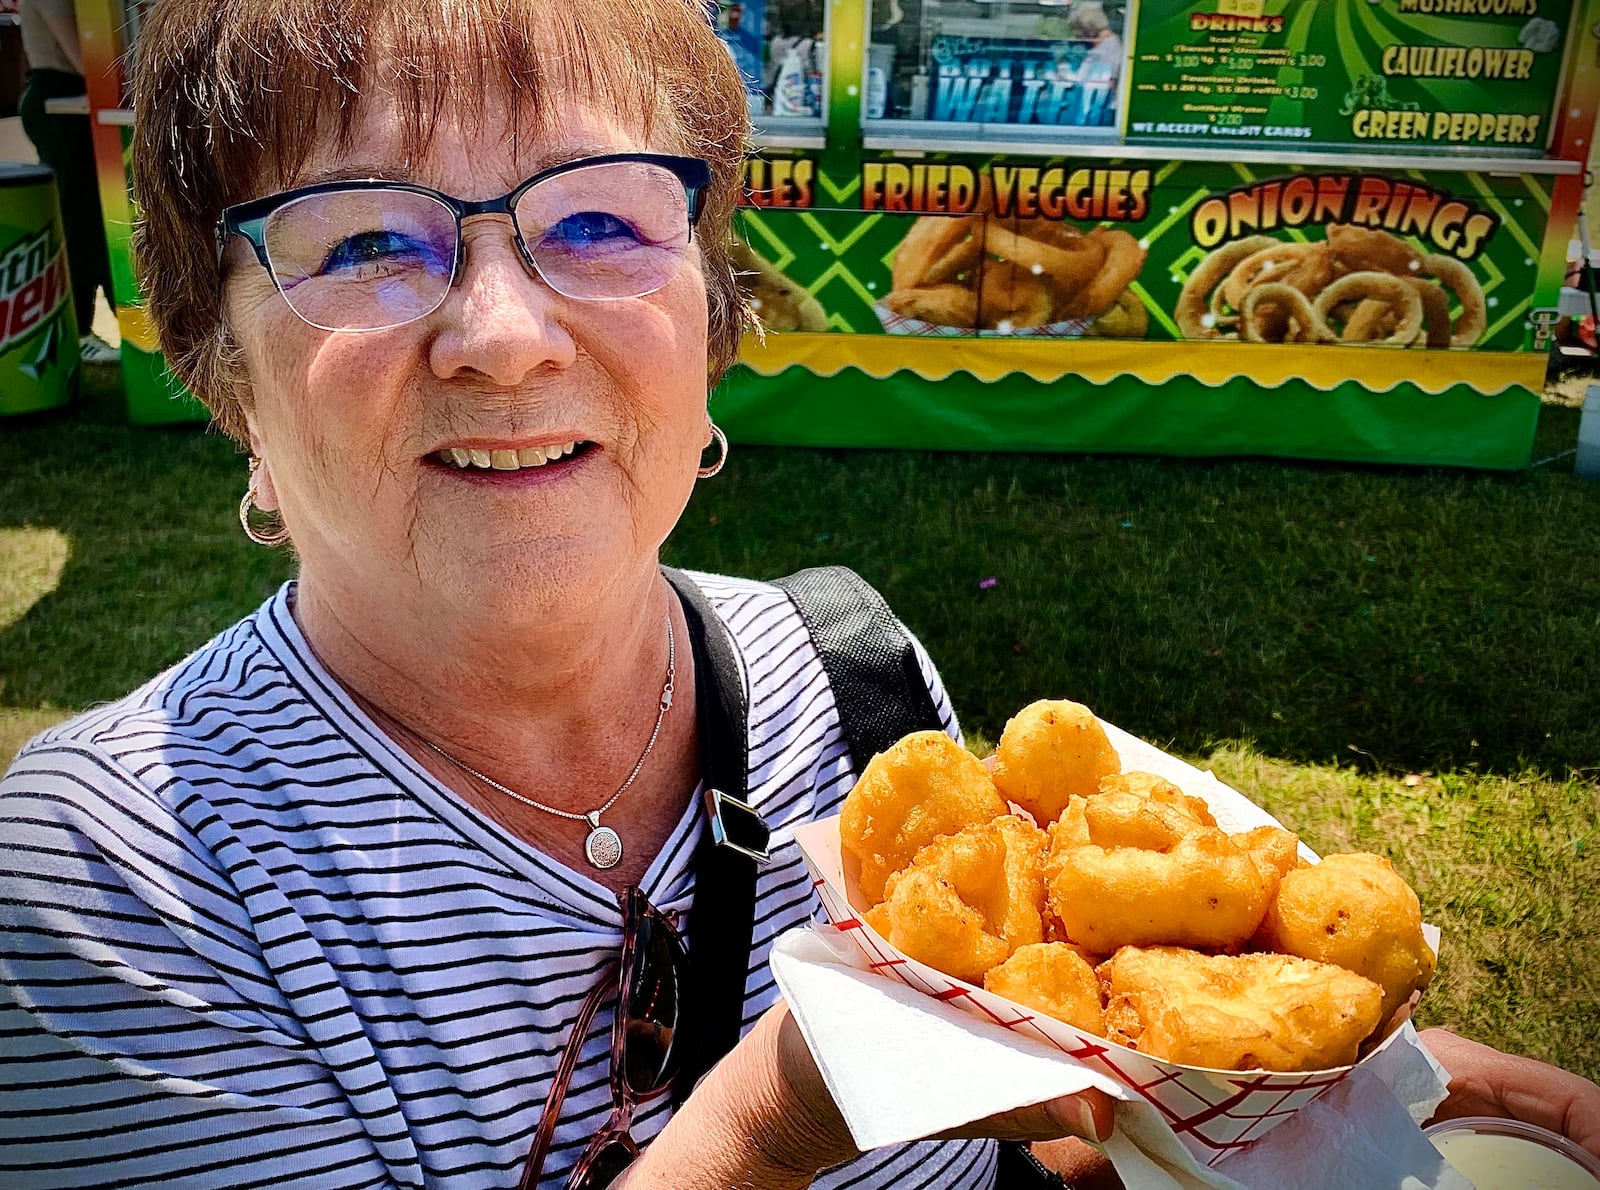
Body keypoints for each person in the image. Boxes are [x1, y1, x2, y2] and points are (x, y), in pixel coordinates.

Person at [0, 3, 1594, 1189]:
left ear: (709, 324)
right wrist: (774, 1114)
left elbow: (1010, 1139)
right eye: (362, 240)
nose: (503, 332)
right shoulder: (104, 880)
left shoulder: (849, 678)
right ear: (219, 373)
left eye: (602, 220)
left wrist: (1255, 1095)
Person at [15, 0, 117, 363]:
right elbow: (83, 55)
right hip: (61, 99)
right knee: (79, 220)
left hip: (78, 98)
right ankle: (81, 334)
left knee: (96, 218)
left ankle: (110, 326)